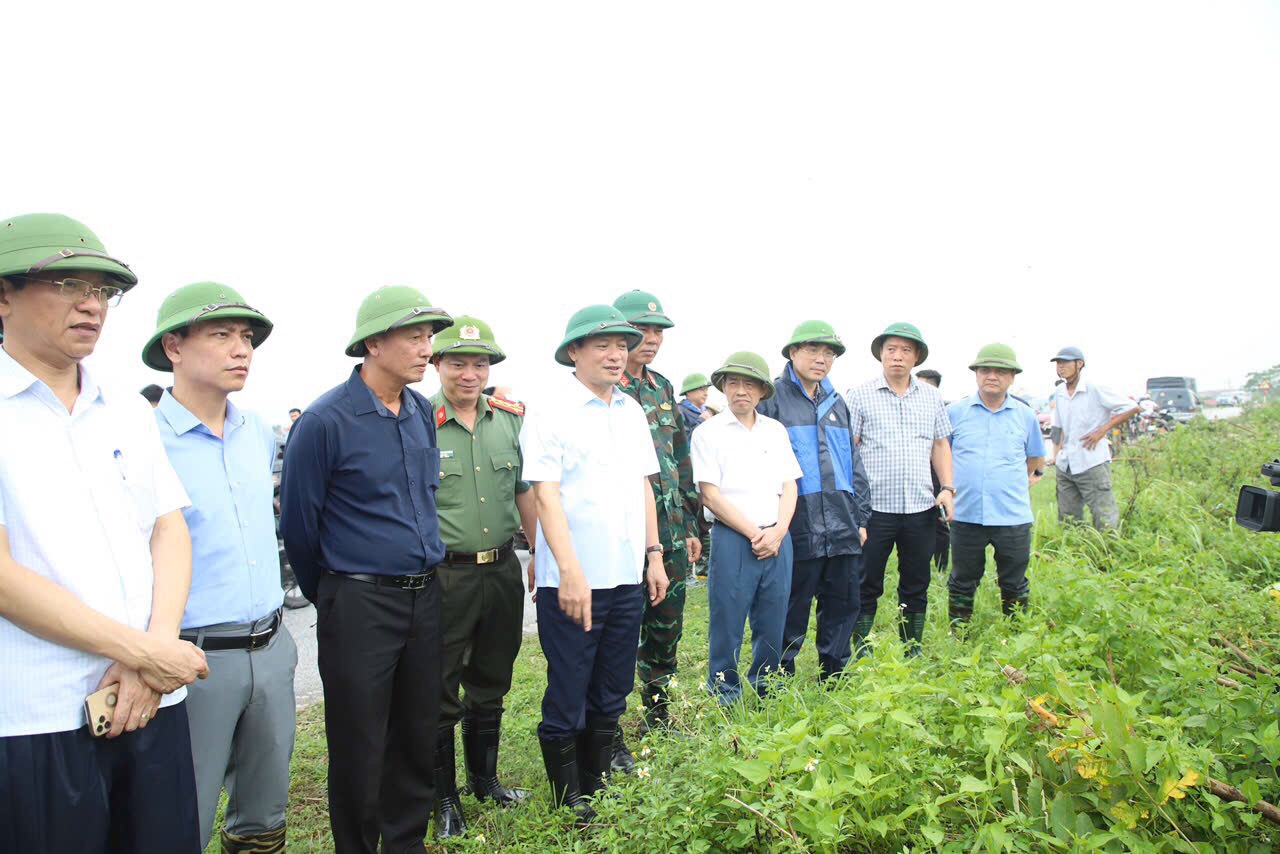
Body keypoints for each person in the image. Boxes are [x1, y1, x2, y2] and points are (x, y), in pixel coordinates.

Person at [0, 213, 209, 852]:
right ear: (2, 296)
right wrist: (145, 653)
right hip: (37, 716)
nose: (91, 304)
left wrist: (153, 651)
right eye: (66, 285)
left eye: (101, 292)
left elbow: (168, 529)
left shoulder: (124, 408)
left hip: (151, 702)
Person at [280, 286, 452, 853]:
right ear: (373, 343)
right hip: (358, 602)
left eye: (429, 336)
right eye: (414, 336)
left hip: (424, 596)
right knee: (358, 741)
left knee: (415, 731)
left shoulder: (421, 411)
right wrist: (338, 592)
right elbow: (301, 528)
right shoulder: (326, 421)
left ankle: (406, 843)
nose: (427, 348)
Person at [145, 282, 296, 853]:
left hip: (270, 645)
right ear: (174, 347)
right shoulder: (143, 439)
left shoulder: (256, 431)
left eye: (247, 337)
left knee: (264, 810)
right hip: (192, 656)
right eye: (222, 335)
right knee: (183, 808)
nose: (242, 349)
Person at [520, 304, 667, 824]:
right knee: (569, 689)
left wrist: (654, 554)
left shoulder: (629, 409)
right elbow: (546, 495)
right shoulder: (551, 410)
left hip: (627, 577)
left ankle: (597, 782)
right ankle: (569, 797)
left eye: (621, 345)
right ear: (574, 352)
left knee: (612, 687)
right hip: (575, 582)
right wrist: (569, 569)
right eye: (602, 345)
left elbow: (644, 485)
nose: (615, 354)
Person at [427, 316, 536, 838]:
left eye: (479, 363)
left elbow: (524, 490)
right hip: (446, 575)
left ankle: (484, 779)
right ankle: (444, 799)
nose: (469, 374)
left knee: (493, 675)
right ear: (437, 364)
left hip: (502, 569)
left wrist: (539, 550)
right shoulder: (418, 422)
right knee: (440, 686)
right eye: (457, 363)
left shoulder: (510, 421)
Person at [612, 290, 701, 756]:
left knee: (667, 629)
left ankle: (659, 716)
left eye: (657, 332)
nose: (650, 339)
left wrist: (689, 526)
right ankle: (609, 730)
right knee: (621, 631)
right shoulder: (602, 388)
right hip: (623, 533)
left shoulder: (664, 388)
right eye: (641, 331)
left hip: (669, 530)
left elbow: (680, 461)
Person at [759, 321, 871, 683]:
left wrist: (861, 518)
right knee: (790, 604)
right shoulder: (772, 399)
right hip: (796, 522)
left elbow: (853, 463)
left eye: (828, 353)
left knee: (842, 603)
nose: (821, 359)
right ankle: (777, 680)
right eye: (812, 351)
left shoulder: (838, 402)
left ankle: (835, 674)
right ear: (793, 353)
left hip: (842, 522)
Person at [691, 351, 802, 704]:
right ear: (723, 387)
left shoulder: (775, 431)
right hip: (734, 538)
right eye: (734, 382)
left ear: (763, 390)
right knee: (727, 621)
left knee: (773, 619)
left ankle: (769, 688)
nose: (742, 390)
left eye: (750, 383)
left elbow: (790, 486)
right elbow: (709, 495)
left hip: (777, 537)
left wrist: (779, 532)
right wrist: (756, 534)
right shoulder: (708, 432)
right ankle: (724, 693)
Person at [845, 322, 953, 657]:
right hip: (875, 509)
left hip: (920, 507)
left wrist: (947, 487)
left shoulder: (932, 398)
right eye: (891, 349)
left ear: (916, 357)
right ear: (880, 353)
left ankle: (913, 647)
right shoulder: (860, 395)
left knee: (916, 581)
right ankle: (862, 647)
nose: (897, 356)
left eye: (906, 350)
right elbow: (850, 448)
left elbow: (940, 444)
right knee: (866, 581)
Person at [945, 344, 1046, 624]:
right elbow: (943, 456)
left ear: (1012, 377)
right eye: (985, 370)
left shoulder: (1026, 416)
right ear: (976, 374)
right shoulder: (955, 413)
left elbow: (1035, 459)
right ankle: (959, 634)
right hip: (966, 514)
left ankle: (1017, 635)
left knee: (1014, 582)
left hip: (1012, 516)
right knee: (962, 580)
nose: (992, 376)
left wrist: (1011, 484)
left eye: (1001, 371)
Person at [1047, 347, 1139, 530]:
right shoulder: (1060, 391)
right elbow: (1058, 426)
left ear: (1079, 364)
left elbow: (1132, 408)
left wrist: (1102, 430)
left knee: (1103, 514)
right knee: (1068, 517)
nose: (1061, 367)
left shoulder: (1094, 388)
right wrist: (1056, 455)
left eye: (1065, 363)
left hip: (1091, 461)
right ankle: (1074, 550)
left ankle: (1107, 551)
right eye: (1058, 363)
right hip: (1067, 463)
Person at [914, 369, 951, 573]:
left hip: (934, 471)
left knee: (938, 519)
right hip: (916, 470)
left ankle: (941, 565)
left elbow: (942, 443)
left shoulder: (938, 407)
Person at [678, 372, 714, 437]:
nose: (706, 394)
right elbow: (683, 440)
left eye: (707, 390)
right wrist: (701, 421)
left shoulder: (708, 412)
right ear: (688, 392)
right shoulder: (679, 411)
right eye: (702, 390)